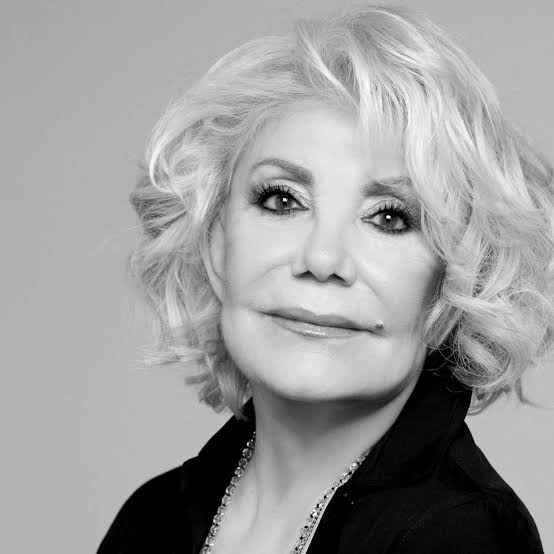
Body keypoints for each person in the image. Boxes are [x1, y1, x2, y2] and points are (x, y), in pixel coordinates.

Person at [98, 4, 552, 553]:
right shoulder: (151, 519)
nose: (321, 257)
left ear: (453, 285)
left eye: (390, 217)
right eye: (282, 200)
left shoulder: (461, 536)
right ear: (215, 243)